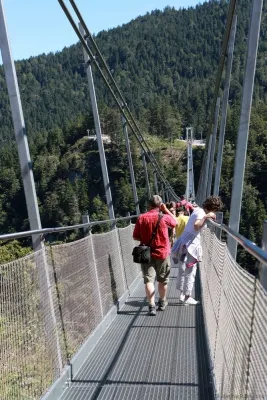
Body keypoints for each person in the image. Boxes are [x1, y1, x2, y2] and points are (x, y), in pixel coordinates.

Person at [172, 196, 222, 305]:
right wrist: (206, 217)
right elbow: (196, 226)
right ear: (212, 209)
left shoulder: (197, 210)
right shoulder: (202, 214)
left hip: (184, 242)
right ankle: (187, 297)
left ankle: (182, 294)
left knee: (182, 269)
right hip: (191, 245)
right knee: (190, 271)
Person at [133, 195, 177, 316]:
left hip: (146, 253)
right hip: (162, 253)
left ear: (149, 205)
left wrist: (145, 238)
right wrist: (166, 209)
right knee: (162, 280)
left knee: (149, 280)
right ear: (160, 205)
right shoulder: (164, 217)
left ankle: (151, 306)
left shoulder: (141, 218)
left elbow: (135, 236)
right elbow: (175, 222)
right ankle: (162, 302)